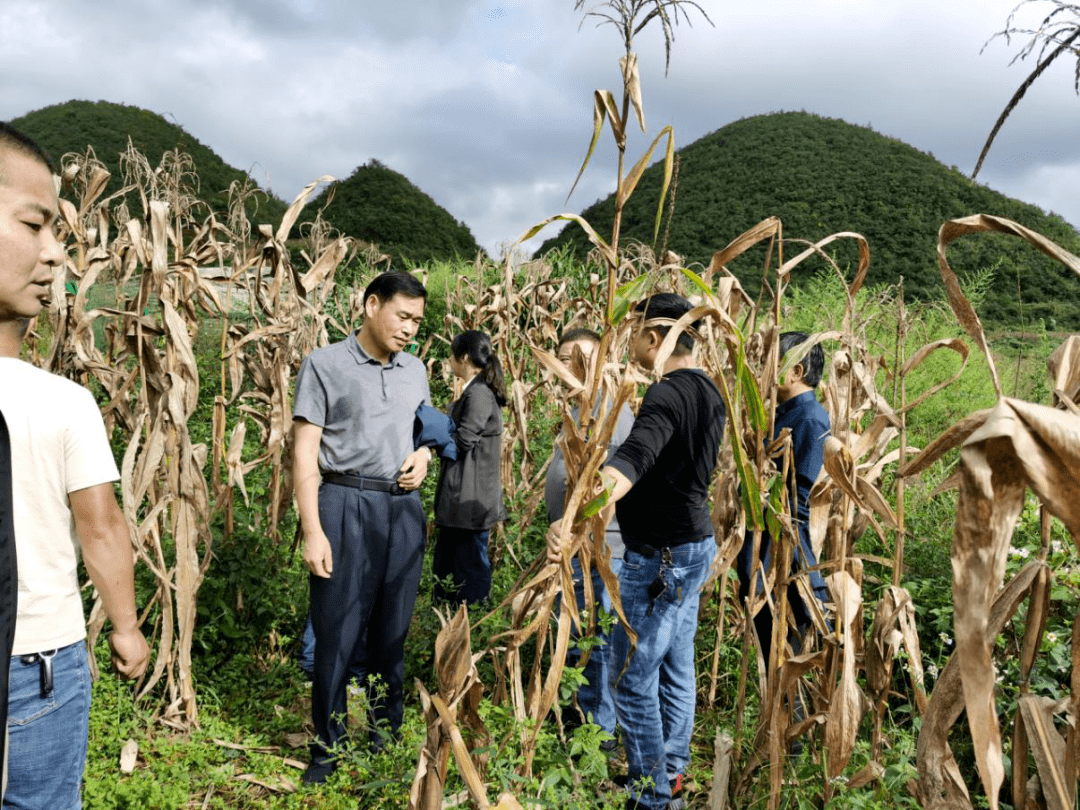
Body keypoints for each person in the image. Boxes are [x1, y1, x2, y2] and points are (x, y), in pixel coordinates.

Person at [0, 122, 150, 808]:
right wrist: (126, 627)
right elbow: (102, 529)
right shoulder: (65, 403)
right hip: (40, 666)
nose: (57, 256)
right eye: (36, 225)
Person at [551, 294, 724, 810]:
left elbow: (631, 460)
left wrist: (575, 517)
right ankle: (672, 769)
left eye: (634, 333)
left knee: (629, 681)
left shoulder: (665, 395)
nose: (628, 343)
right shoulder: (711, 391)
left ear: (655, 338)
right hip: (696, 545)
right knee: (676, 663)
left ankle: (650, 797)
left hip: (661, 558)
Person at [292, 270, 433, 784]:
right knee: (336, 631)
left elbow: (422, 432)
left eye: (418, 321)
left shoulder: (415, 369)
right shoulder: (324, 364)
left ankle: (384, 735)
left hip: (402, 509)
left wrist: (423, 458)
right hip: (344, 501)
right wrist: (313, 530)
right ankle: (327, 749)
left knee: (392, 631)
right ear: (372, 305)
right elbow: (305, 453)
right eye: (402, 316)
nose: (410, 329)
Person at [544, 328, 633, 745]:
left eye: (582, 358)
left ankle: (599, 733)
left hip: (602, 550)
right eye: (565, 357)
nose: (571, 367)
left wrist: (577, 530)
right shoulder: (579, 410)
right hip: (573, 550)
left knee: (597, 641)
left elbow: (610, 486)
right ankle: (574, 716)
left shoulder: (610, 412)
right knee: (579, 635)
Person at [736, 331, 831, 668]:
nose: (763, 370)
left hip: (781, 562)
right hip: (763, 556)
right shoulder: (783, 415)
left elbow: (795, 502)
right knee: (770, 663)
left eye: (773, 363)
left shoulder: (808, 419)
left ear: (796, 372)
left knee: (785, 666)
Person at [431, 330, 507, 605]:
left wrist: (433, 432)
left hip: (470, 502)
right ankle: (448, 619)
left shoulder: (479, 393)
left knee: (470, 569)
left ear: (463, 357)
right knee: (449, 565)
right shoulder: (475, 391)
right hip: (462, 500)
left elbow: (463, 440)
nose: (449, 362)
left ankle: (470, 623)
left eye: (452, 356)